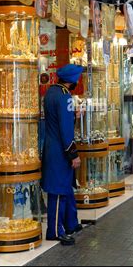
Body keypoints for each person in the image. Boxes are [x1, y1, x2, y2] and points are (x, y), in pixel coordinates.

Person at [41, 64, 84, 246]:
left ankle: (70, 224)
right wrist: (72, 153)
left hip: (51, 147)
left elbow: (56, 119)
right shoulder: (66, 96)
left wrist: (72, 115)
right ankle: (55, 231)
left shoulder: (51, 92)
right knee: (58, 190)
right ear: (72, 80)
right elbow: (65, 129)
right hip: (60, 150)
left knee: (65, 187)